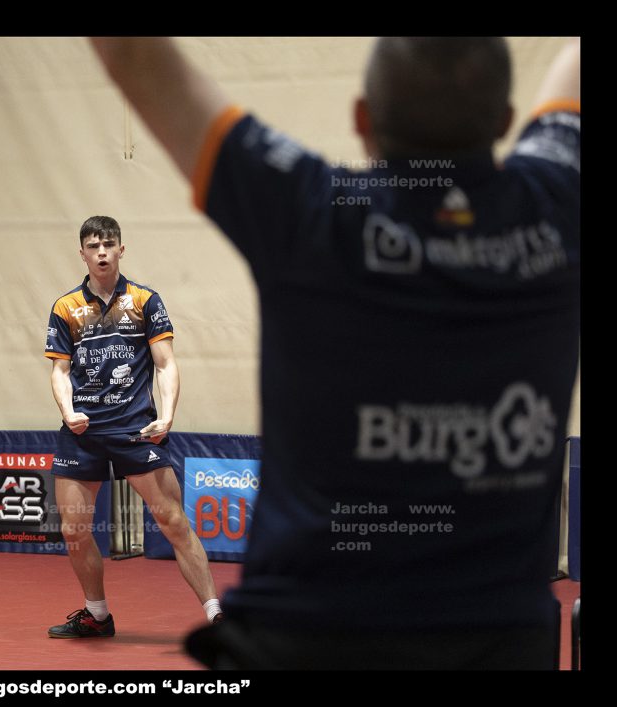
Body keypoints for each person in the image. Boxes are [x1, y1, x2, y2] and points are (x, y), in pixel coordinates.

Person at [88, 37, 580, 668]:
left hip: (307, 641)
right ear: (506, 121)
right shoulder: (553, 207)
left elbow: (134, 56)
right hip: (501, 646)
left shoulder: (310, 210)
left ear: (361, 118)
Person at [43, 215, 223, 638]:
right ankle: (97, 615)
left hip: (135, 432)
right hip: (82, 435)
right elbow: (60, 371)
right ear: (82, 253)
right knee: (74, 530)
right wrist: (68, 412)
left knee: (173, 522)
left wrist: (168, 414)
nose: (101, 252)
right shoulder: (66, 307)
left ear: (121, 250)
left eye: (108, 244)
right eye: (93, 246)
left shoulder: (145, 301)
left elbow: (165, 364)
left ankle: (217, 614)